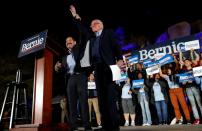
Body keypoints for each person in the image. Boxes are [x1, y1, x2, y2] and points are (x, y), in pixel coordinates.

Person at [69, 5, 124, 130]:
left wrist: (120, 59)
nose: (91, 26)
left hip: (109, 67)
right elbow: (82, 29)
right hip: (97, 69)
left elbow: (116, 46)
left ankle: (114, 126)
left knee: (110, 96)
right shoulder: (92, 37)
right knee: (102, 98)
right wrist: (76, 17)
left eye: (93, 24)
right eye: (91, 25)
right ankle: (105, 125)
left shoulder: (108, 33)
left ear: (100, 25)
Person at [55, 36, 92, 131]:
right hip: (71, 79)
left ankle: (87, 125)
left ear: (75, 42)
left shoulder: (79, 50)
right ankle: (73, 125)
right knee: (71, 103)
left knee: (83, 102)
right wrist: (57, 67)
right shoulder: (64, 57)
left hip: (81, 77)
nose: (68, 42)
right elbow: (61, 69)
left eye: (70, 40)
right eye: (66, 41)